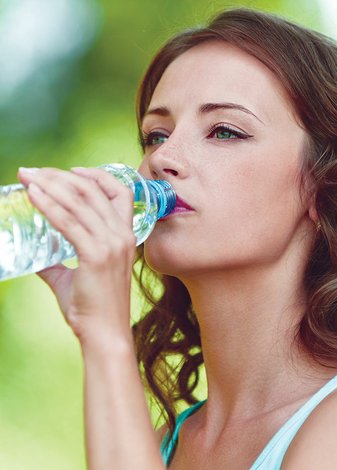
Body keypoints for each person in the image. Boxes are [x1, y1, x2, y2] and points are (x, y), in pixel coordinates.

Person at [17, 7, 337, 469]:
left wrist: (107, 335)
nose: (163, 158)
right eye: (155, 135)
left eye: (224, 131)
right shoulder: (166, 442)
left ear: (320, 184)